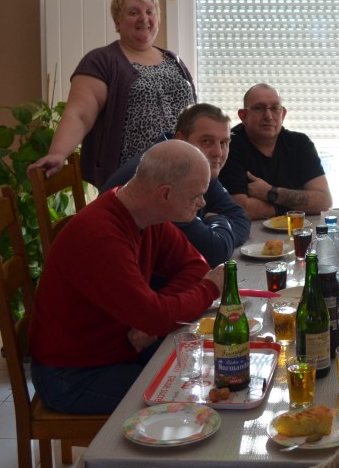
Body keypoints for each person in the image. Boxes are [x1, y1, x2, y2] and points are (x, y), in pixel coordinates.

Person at [28, 140, 225, 414]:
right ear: (165, 194)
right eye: (196, 196)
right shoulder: (100, 237)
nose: (202, 203)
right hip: (72, 376)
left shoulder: (145, 214)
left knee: (210, 368)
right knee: (197, 398)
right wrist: (209, 289)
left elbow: (194, 265)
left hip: (117, 351)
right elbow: (166, 308)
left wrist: (152, 318)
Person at [31, 0, 196, 189]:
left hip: (182, 177)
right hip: (133, 182)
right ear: (117, 22)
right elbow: (79, 115)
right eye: (133, 12)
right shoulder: (102, 61)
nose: (144, 18)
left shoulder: (174, 61)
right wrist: (58, 153)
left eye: (149, 11)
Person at [101, 103, 250, 266]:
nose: (218, 153)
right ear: (180, 139)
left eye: (224, 143)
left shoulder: (197, 165)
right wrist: (220, 221)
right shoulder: (165, 172)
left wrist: (215, 232)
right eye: (207, 141)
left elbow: (240, 217)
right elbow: (214, 252)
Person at [218, 84, 332, 220]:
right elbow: (241, 208)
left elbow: (324, 201)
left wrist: (270, 192)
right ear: (244, 116)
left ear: (283, 114)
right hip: (248, 234)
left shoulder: (300, 143)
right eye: (259, 108)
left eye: (275, 108)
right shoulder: (229, 145)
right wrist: (293, 208)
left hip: (295, 232)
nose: (268, 116)